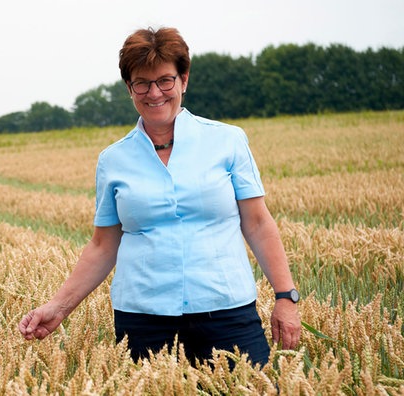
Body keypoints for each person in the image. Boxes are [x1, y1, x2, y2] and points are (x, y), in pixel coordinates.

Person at [18, 27, 301, 366]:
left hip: (226, 311)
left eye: (165, 80)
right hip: (143, 320)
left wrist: (286, 297)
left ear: (184, 79)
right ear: (129, 88)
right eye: (142, 83)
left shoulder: (228, 141)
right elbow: (103, 245)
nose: (154, 93)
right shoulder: (113, 160)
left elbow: (257, 223)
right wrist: (58, 307)